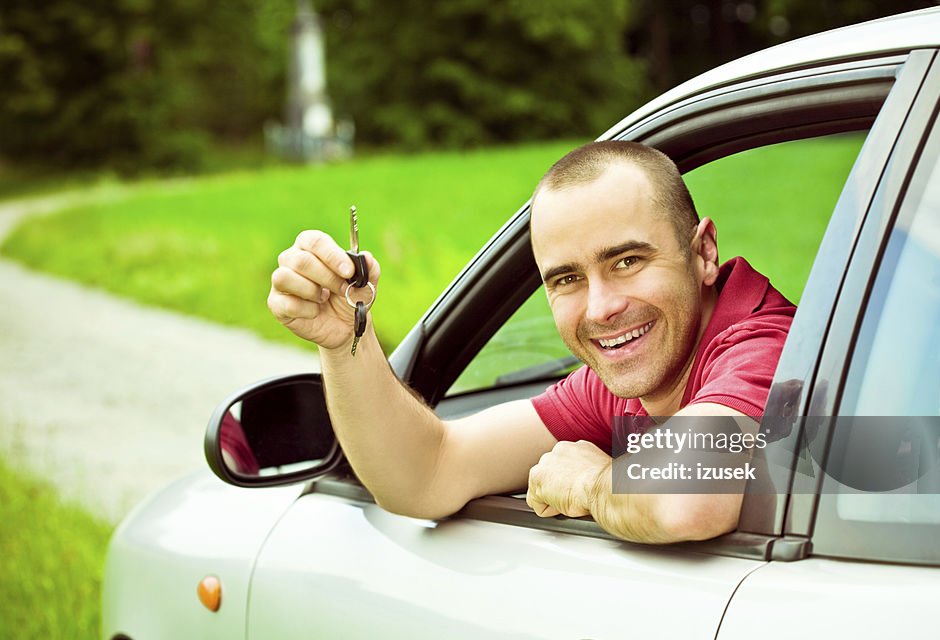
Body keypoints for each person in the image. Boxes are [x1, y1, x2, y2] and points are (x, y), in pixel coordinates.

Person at [267, 141, 796, 544]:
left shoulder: (765, 345)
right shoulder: (622, 382)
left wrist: (592, 484)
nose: (600, 308)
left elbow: (688, 500)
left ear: (703, 253)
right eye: (567, 279)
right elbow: (427, 475)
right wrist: (344, 341)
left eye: (628, 262)